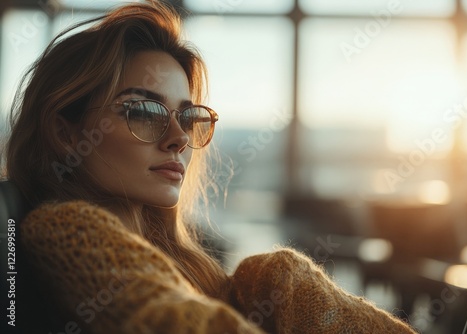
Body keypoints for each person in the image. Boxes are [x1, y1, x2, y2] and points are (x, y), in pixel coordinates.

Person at [4, 2, 418, 333]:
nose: (179, 138)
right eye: (144, 111)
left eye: (188, 117)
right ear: (66, 133)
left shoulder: (186, 263)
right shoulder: (66, 228)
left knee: (276, 272)